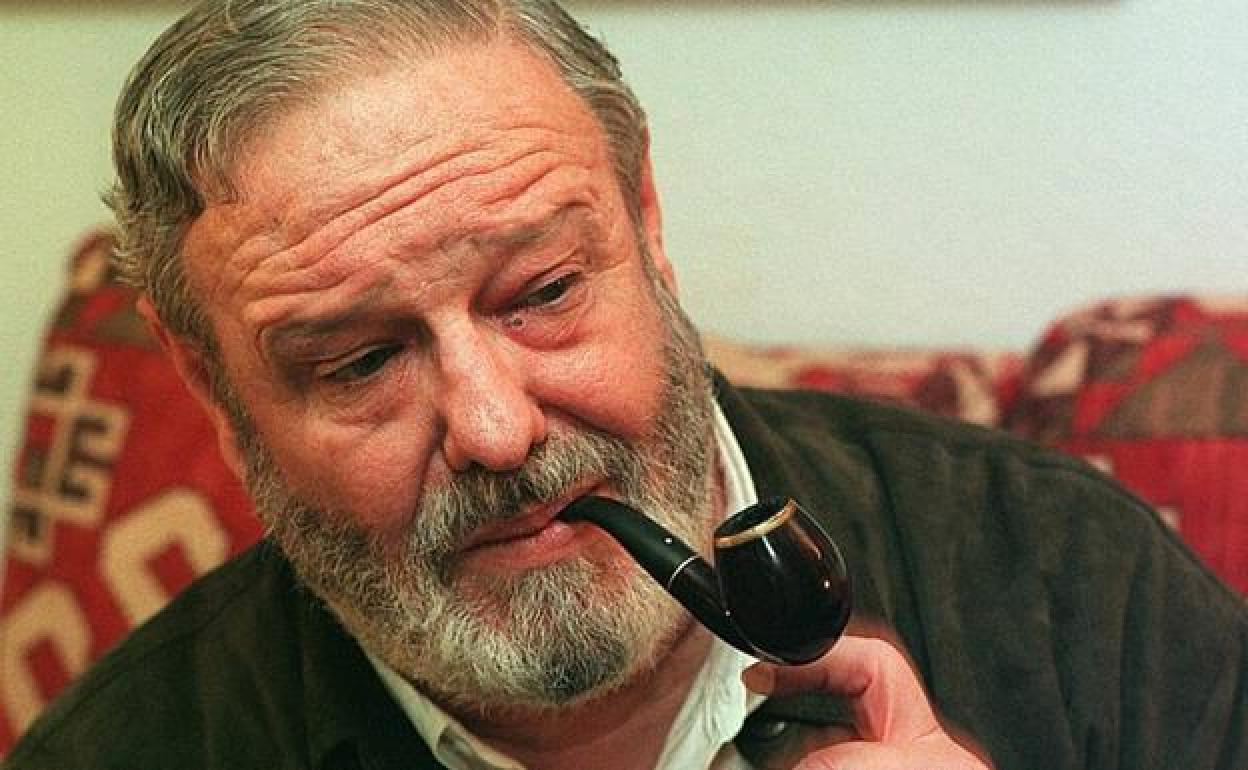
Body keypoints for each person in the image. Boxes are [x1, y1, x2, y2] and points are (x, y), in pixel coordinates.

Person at [7, 1, 1246, 768]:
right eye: (361, 360)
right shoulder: (123, 750)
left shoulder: (1072, 584)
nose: (497, 428)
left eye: (543, 291)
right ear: (213, 392)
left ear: (645, 221)